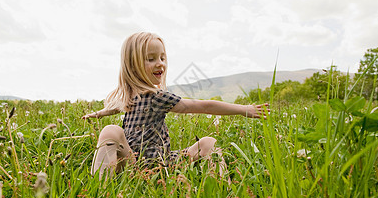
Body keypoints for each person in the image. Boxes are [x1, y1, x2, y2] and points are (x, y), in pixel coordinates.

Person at [82, 32, 269, 180]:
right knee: (110, 131)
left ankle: (221, 191)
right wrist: (96, 114)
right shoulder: (129, 95)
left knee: (208, 142)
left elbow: (204, 106)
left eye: (162, 58)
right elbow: (115, 107)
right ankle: (101, 189)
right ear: (133, 64)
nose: (160, 64)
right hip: (134, 162)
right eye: (151, 58)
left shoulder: (158, 97)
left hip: (160, 163)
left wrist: (245, 109)